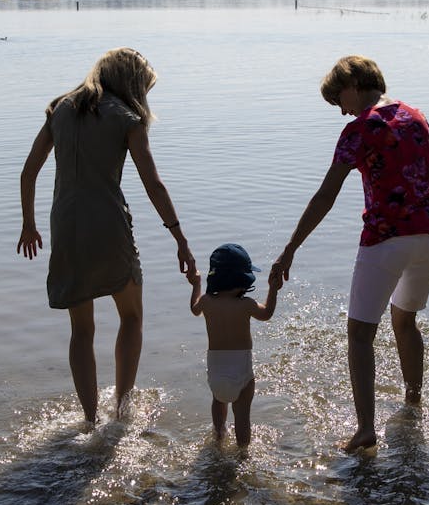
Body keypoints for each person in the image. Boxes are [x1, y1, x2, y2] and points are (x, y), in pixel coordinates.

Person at [272, 55, 429, 453]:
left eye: (339, 99)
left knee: (360, 334)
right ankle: (413, 401)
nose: (341, 110)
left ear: (356, 84)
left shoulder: (359, 130)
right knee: (405, 320)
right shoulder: (418, 118)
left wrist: (290, 248)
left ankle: (365, 430)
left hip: (385, 239)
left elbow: (326, 195)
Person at [16, 48, 195, 426]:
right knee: (131, 316)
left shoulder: (59, 109)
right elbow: (154, 185)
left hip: (65, 224)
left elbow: (29, 172)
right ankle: (122, 410)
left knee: (82, 329)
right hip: (109, 224)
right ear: (132, 83)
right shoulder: (128, 118)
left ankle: (89, 418)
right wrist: (179, 237)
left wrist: (28, 224)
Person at [187, 244, 282, 448]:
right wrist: (273, 289)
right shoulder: (246, 304)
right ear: (242, 279)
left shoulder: (206, 301)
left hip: (216, 374)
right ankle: (243, 452)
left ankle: (219, 436)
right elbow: (267, 314)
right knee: (242, 417)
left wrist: (196, 284)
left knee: (218, 401)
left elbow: (194, 310)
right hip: (241, 373)